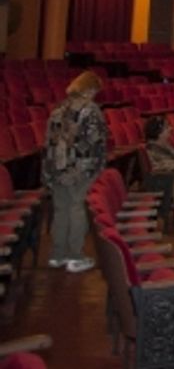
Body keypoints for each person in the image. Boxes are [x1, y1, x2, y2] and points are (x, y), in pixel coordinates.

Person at [42, 70, 107, 272]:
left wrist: (48, 170)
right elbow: (96, 141)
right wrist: (98, 166)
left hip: (57, 167)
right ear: (90, 89)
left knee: (61, 210)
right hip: (80, 168)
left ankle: (57, 254)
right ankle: (75, 255)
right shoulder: (90, 109)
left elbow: (48, 141)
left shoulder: (58, 107)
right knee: (77, 208)